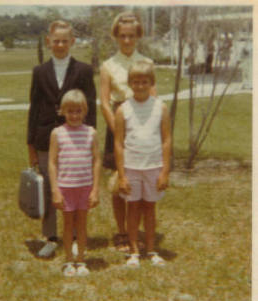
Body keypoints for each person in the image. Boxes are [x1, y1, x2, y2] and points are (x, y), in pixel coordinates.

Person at [27, 20, 96, 258]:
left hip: (76, 139)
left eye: (64, 41)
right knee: (49, 187)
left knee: (75, 187)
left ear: (72, 42)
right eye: (55, 40)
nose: (59, 45)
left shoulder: (84, 71)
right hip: (46, 138)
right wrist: (31, 144)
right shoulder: (39, 72)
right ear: (48, 41)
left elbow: (91, 108)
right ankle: (50, 236)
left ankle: (75, 235)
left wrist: (91, 142)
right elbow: (34, 108)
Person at [100, 11, 155, 253]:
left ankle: (137, 231)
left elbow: (153, 98)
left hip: (143, 124)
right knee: (118, 182)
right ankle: (122, 232)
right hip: (118, 122)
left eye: (131, 36)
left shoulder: (147, 63)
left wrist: (145, 130)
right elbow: (103, 101)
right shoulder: (108, 65)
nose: (127, 41)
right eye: (122, 36)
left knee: (140, 179)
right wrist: (118, 131)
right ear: (116, 36)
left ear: (138, 36)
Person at [114, 60, 171, 267]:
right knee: (133, 208)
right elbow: (119, 143)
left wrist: (164, 171)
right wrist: (121, 175)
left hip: (153, 166)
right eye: (135, 82)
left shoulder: (160, 107)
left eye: (144, 82)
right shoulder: (123, 109)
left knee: (149, 209)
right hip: (131, 167)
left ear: (151, 82)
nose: (140, 86)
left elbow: (166, 139)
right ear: (130, 83)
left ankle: (151, 249)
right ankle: (134, 252)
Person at [48, 90, 100, 276]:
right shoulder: (57, 133)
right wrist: (55, 189)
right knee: (68, 225)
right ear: (63, 111)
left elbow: (96, 160)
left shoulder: (90, 133)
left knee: (82, 225)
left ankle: (81, 260)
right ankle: (69, 260)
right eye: (70, 111)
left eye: (78, 111)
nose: (74, 115)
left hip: (84, 187)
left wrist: (95, 189)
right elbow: (52, 163)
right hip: (66, 187)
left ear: (84, 111)